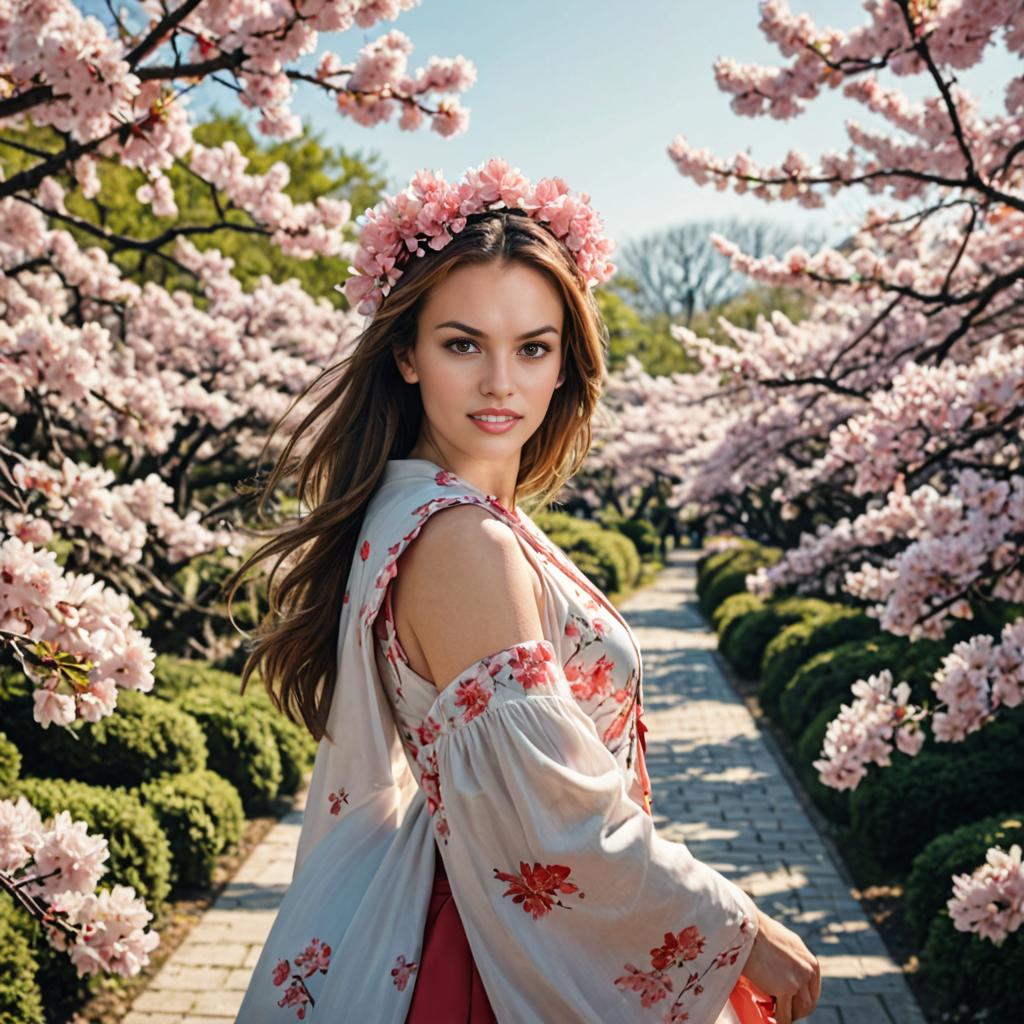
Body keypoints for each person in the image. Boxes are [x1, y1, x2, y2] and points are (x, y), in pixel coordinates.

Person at [230, 157, 820, 1023]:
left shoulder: (440, 513)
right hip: (483, 960)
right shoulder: (462, 540)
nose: (500, 382)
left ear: (563, 363)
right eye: (462, 343)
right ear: (406, 354)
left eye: (532, 347)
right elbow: (554, 819)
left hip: (480, 921)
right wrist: (739, 926)